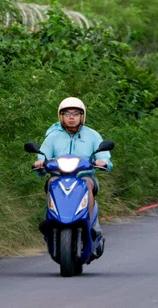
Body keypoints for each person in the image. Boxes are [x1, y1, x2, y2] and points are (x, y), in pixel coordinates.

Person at [33, 96, 112, 239]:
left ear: (82, 116)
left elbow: (103, 156)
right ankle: (51, 222)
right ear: (60, 116)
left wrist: (102, 161)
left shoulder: (92, 136)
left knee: (87, 184)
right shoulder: (52, 137)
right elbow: (43, 156)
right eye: (67, 114)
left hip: (84, 177)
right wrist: (40, 163)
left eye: (76, 113)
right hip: (59, 177)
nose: (71, 117)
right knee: (51, 183)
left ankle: (89, 226)